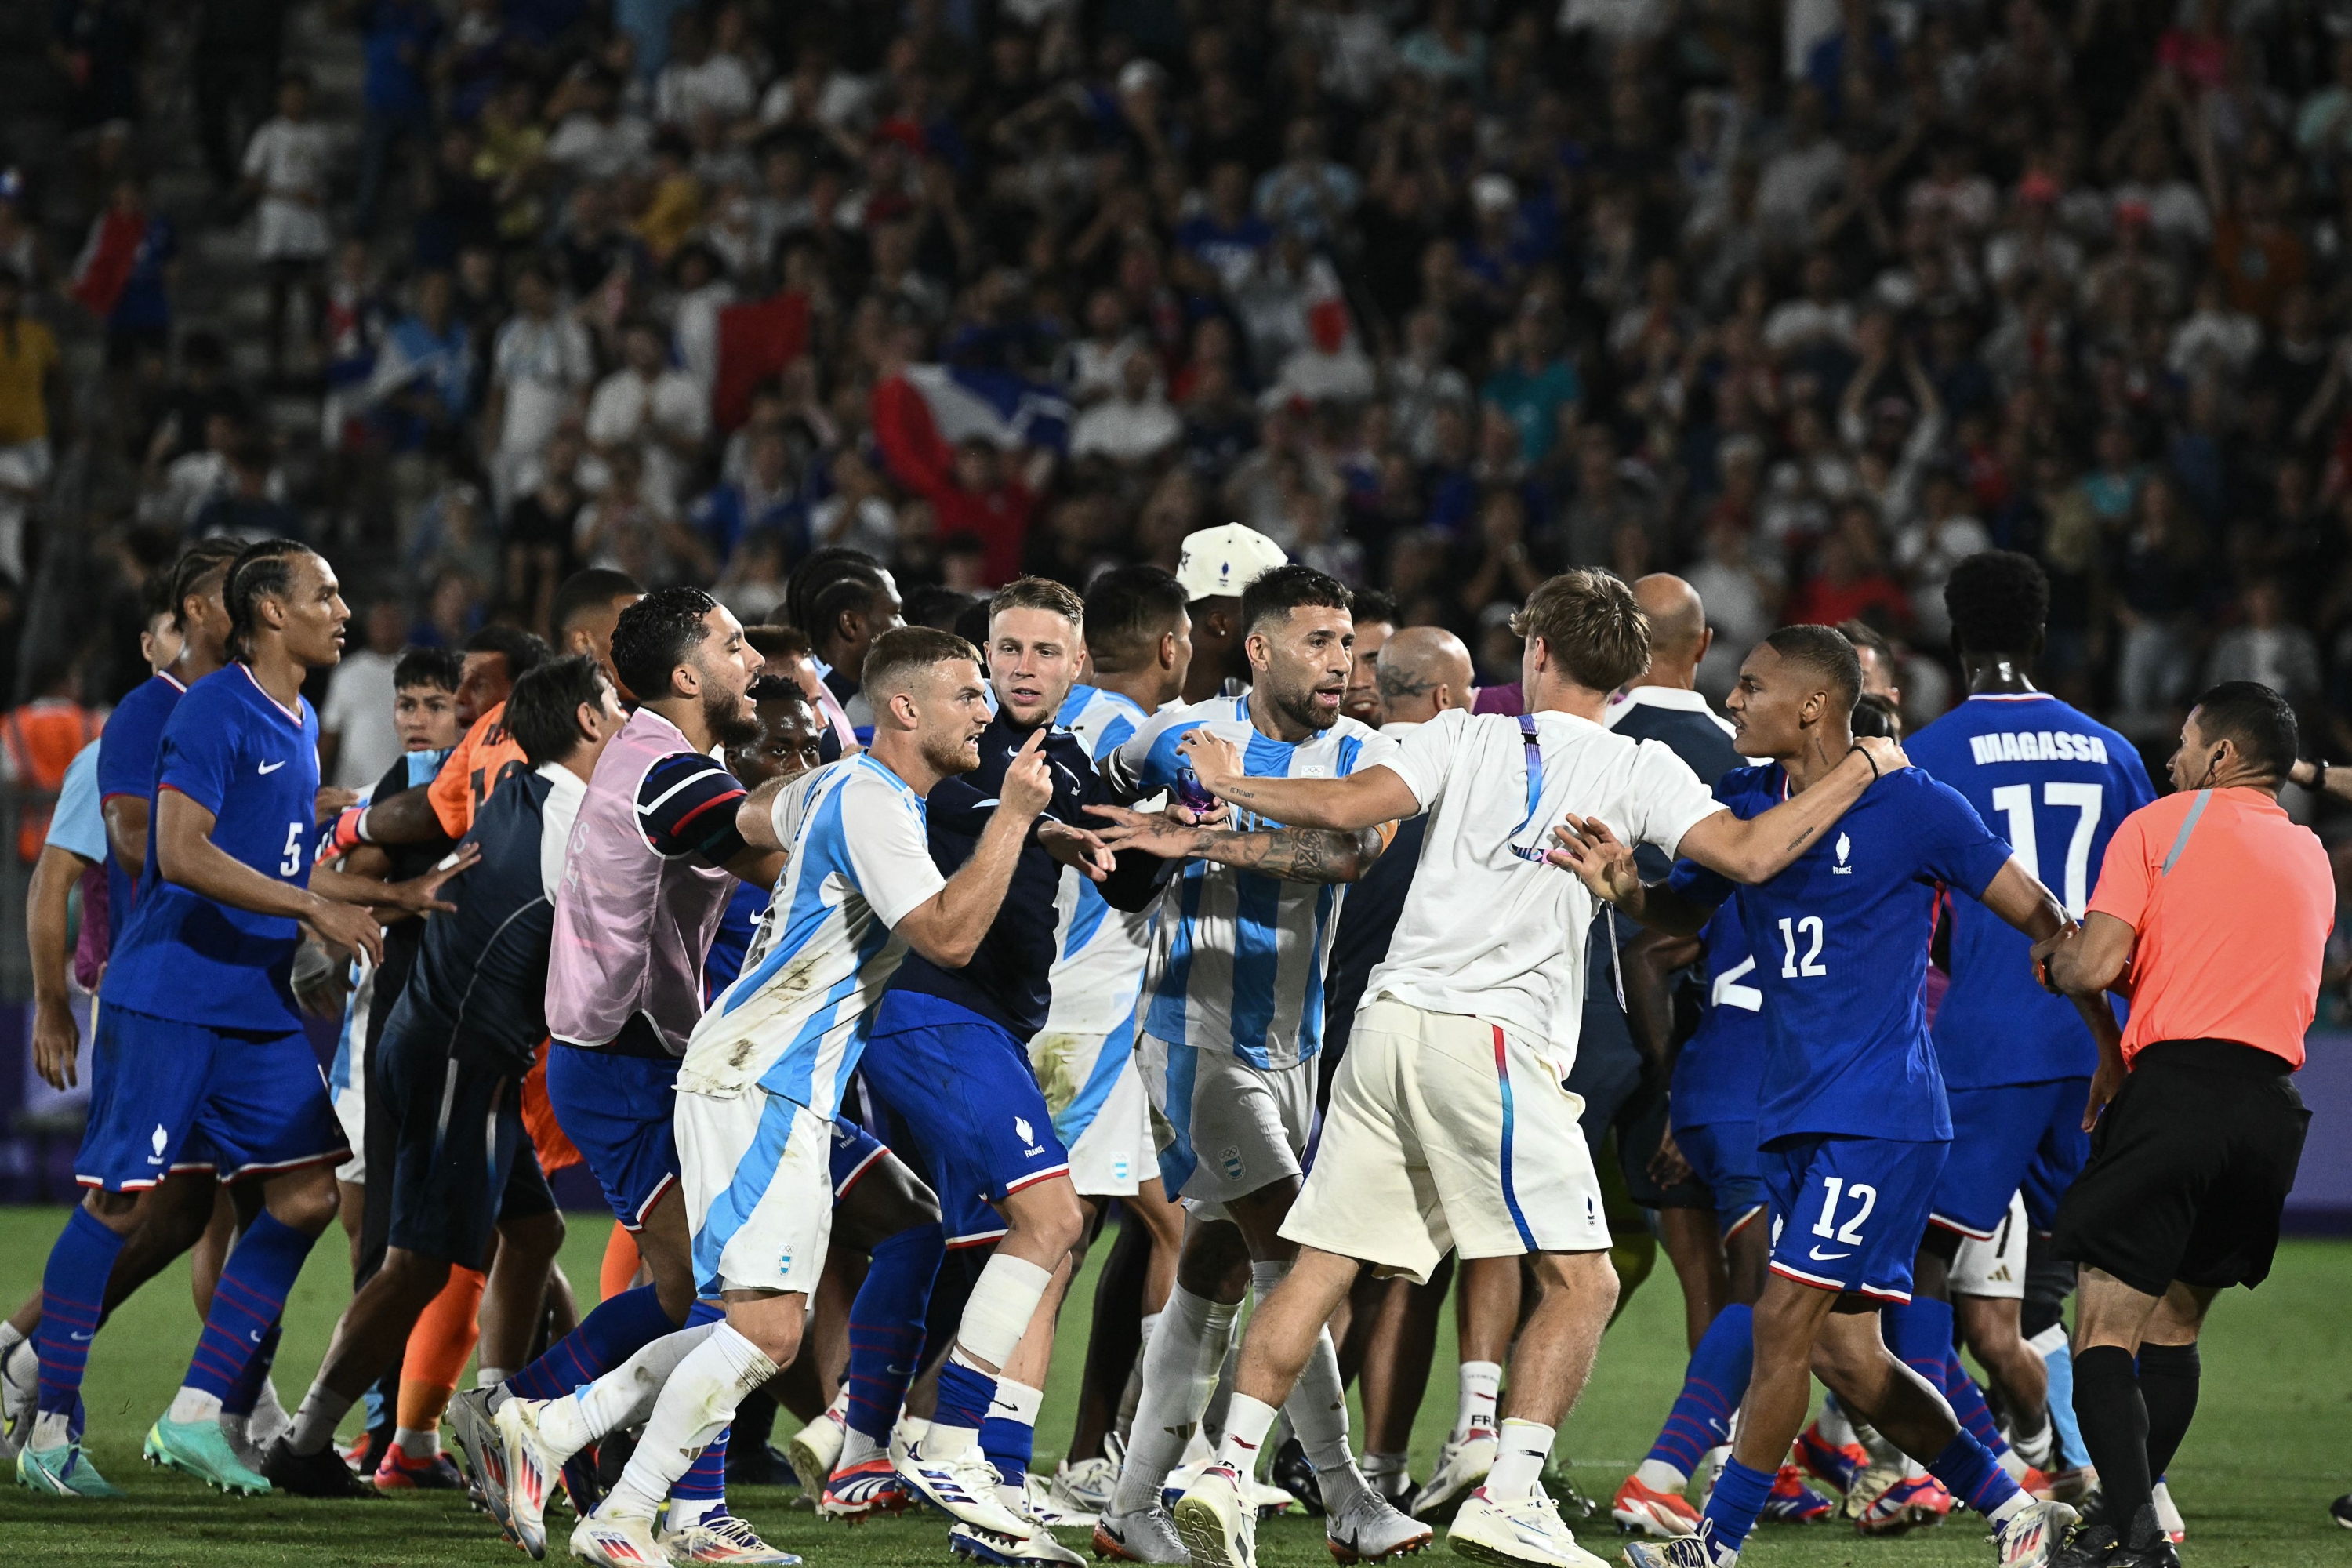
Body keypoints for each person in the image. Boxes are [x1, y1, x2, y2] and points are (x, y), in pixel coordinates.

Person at [1155, 572, 1895, 1568]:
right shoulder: (1639, 768)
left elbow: (1345, 806)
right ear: (1627, 669)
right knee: (1582, 1282)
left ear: (1536, 650)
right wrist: (1864, 769)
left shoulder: (1461, 734)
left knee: (1323, 1262)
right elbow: (1754, 855)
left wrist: (1226, 776)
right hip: (1491, 1039)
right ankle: (1508, 1492)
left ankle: (1222, 1470)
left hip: (1389, 1027)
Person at [1574, 625, 2086, 1568]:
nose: (1734, 701)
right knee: (1850, 1357)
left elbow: (2042, 915)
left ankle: (1713, 1543)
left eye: (1752, 686)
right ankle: (2017, 1509)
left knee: (1779, 1318)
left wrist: (2091, 1009)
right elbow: (1688, 907)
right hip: (1793, 1114)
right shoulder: (1748, 800)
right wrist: (1630, 891)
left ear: (1812, 704)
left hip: (1879, 1114)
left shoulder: (1916, 804)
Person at [546, 626, 1059, 1567]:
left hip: (760, 1068)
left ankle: (558, 1430)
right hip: (762, 1073)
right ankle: (620, 1512)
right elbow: (948, 937)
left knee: (754, 1325)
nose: (988, 709)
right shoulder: (875, 800)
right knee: (764, 1327)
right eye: (968, 693)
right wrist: (1015, 817)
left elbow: (746, 825)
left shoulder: (840, 786)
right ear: (905, 709)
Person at [19, 541, 460, 1498]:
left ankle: (196, 1412)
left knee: (303, 1194)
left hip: (250, 1005)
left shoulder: (298, 714)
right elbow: (176, 852)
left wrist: (395, 894)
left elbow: (284, 862)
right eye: (324, 594)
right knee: (122, 1202)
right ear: (269, 612)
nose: (344, 609)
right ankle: (50, 1420)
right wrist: (314, 909)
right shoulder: (213, 708)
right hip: (172, 996)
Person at [1081, 565, 1422, 1566]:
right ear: (1260, 647)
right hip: (1196, 1033)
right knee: (1297, 1255)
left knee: (1217, 1264)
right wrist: (1152, 829)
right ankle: (1345, 1494)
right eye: (1318, 641)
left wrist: (1211, 833)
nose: (1339, 662)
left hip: (1297, 1042)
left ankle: (1129, 1504)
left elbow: (1353, 852)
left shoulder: (1364, 751)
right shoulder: (1190, 733)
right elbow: (1110, 784)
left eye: (1346, 642)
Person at [448, 586, 786, 1563]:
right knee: (725, 1289)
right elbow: (764, 839)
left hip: (635, 1054)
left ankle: (537, 1425)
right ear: (686, 675)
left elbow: (751, 850)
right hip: (623, 1059)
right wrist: (847, 791)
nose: (751, 660)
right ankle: (599, 1459)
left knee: (698, 1289)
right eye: (732, 646)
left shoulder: (668, 759)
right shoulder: (660, 771)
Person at [261, 657, 624, 1496]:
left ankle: (497, 1406)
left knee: (535, 1233)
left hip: (442, 1040)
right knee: (416, 1265)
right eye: (613, 705)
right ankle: (307, 1439)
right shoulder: (573, 830)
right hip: (461, 1055)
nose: (626, 720)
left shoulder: (511, 799)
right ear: (587, 720)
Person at [859, 578, 1165, 1560]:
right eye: (1008, 648)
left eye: (1045, 651)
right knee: (1053, 1221)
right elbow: (973, 818)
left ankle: (989, 1482)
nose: (1023, 667)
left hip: (995, 1029)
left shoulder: (1061, 759)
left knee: (1036, 1237)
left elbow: (1132, 874)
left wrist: (1177, 825)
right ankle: (938, 1437)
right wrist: (1047, 821)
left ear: (1079, 665)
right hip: (935, 1013)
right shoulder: (962, 750)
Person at [2031, 681, 2331, 1568]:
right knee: (2174, 1329)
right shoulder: (2311, 850)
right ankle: (2123, 1524)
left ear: (2223, 756)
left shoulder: (2165, 823)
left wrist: (2057, 959)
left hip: (2178, 1093)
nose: (2172, 760)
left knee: (2102, 1332)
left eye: (2185, 744)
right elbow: (2220, 959)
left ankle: (2137, 1539)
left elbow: (2096, 958)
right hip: (2269, 1112)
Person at [1893, 552, 2155, 1512]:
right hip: (2099, 1052)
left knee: (1915, 1262)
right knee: (2106, 1278)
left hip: (1981, 1046)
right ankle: (2137, 1487)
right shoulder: (2114, 751)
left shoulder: (1931, 751)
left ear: (1956, 637)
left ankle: (1934, 1472)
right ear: (2042, 637)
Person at [1608, 574, 1828, 1540]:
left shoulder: (1747, 815)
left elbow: (1665, 937)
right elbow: (1660, 940)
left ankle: (1751, 1459)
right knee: (1774, 1291)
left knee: (1741, 1287)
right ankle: (1670, 1465)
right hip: (1756, 1083)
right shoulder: (1800, 824)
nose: (1737, 703)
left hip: (1718, 1082)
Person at [1174, 523, 1291, 702]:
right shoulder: (1139, 716)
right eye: (1269, 615)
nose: (1283, 631)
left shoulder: (1252, 700)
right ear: (1218, 623)